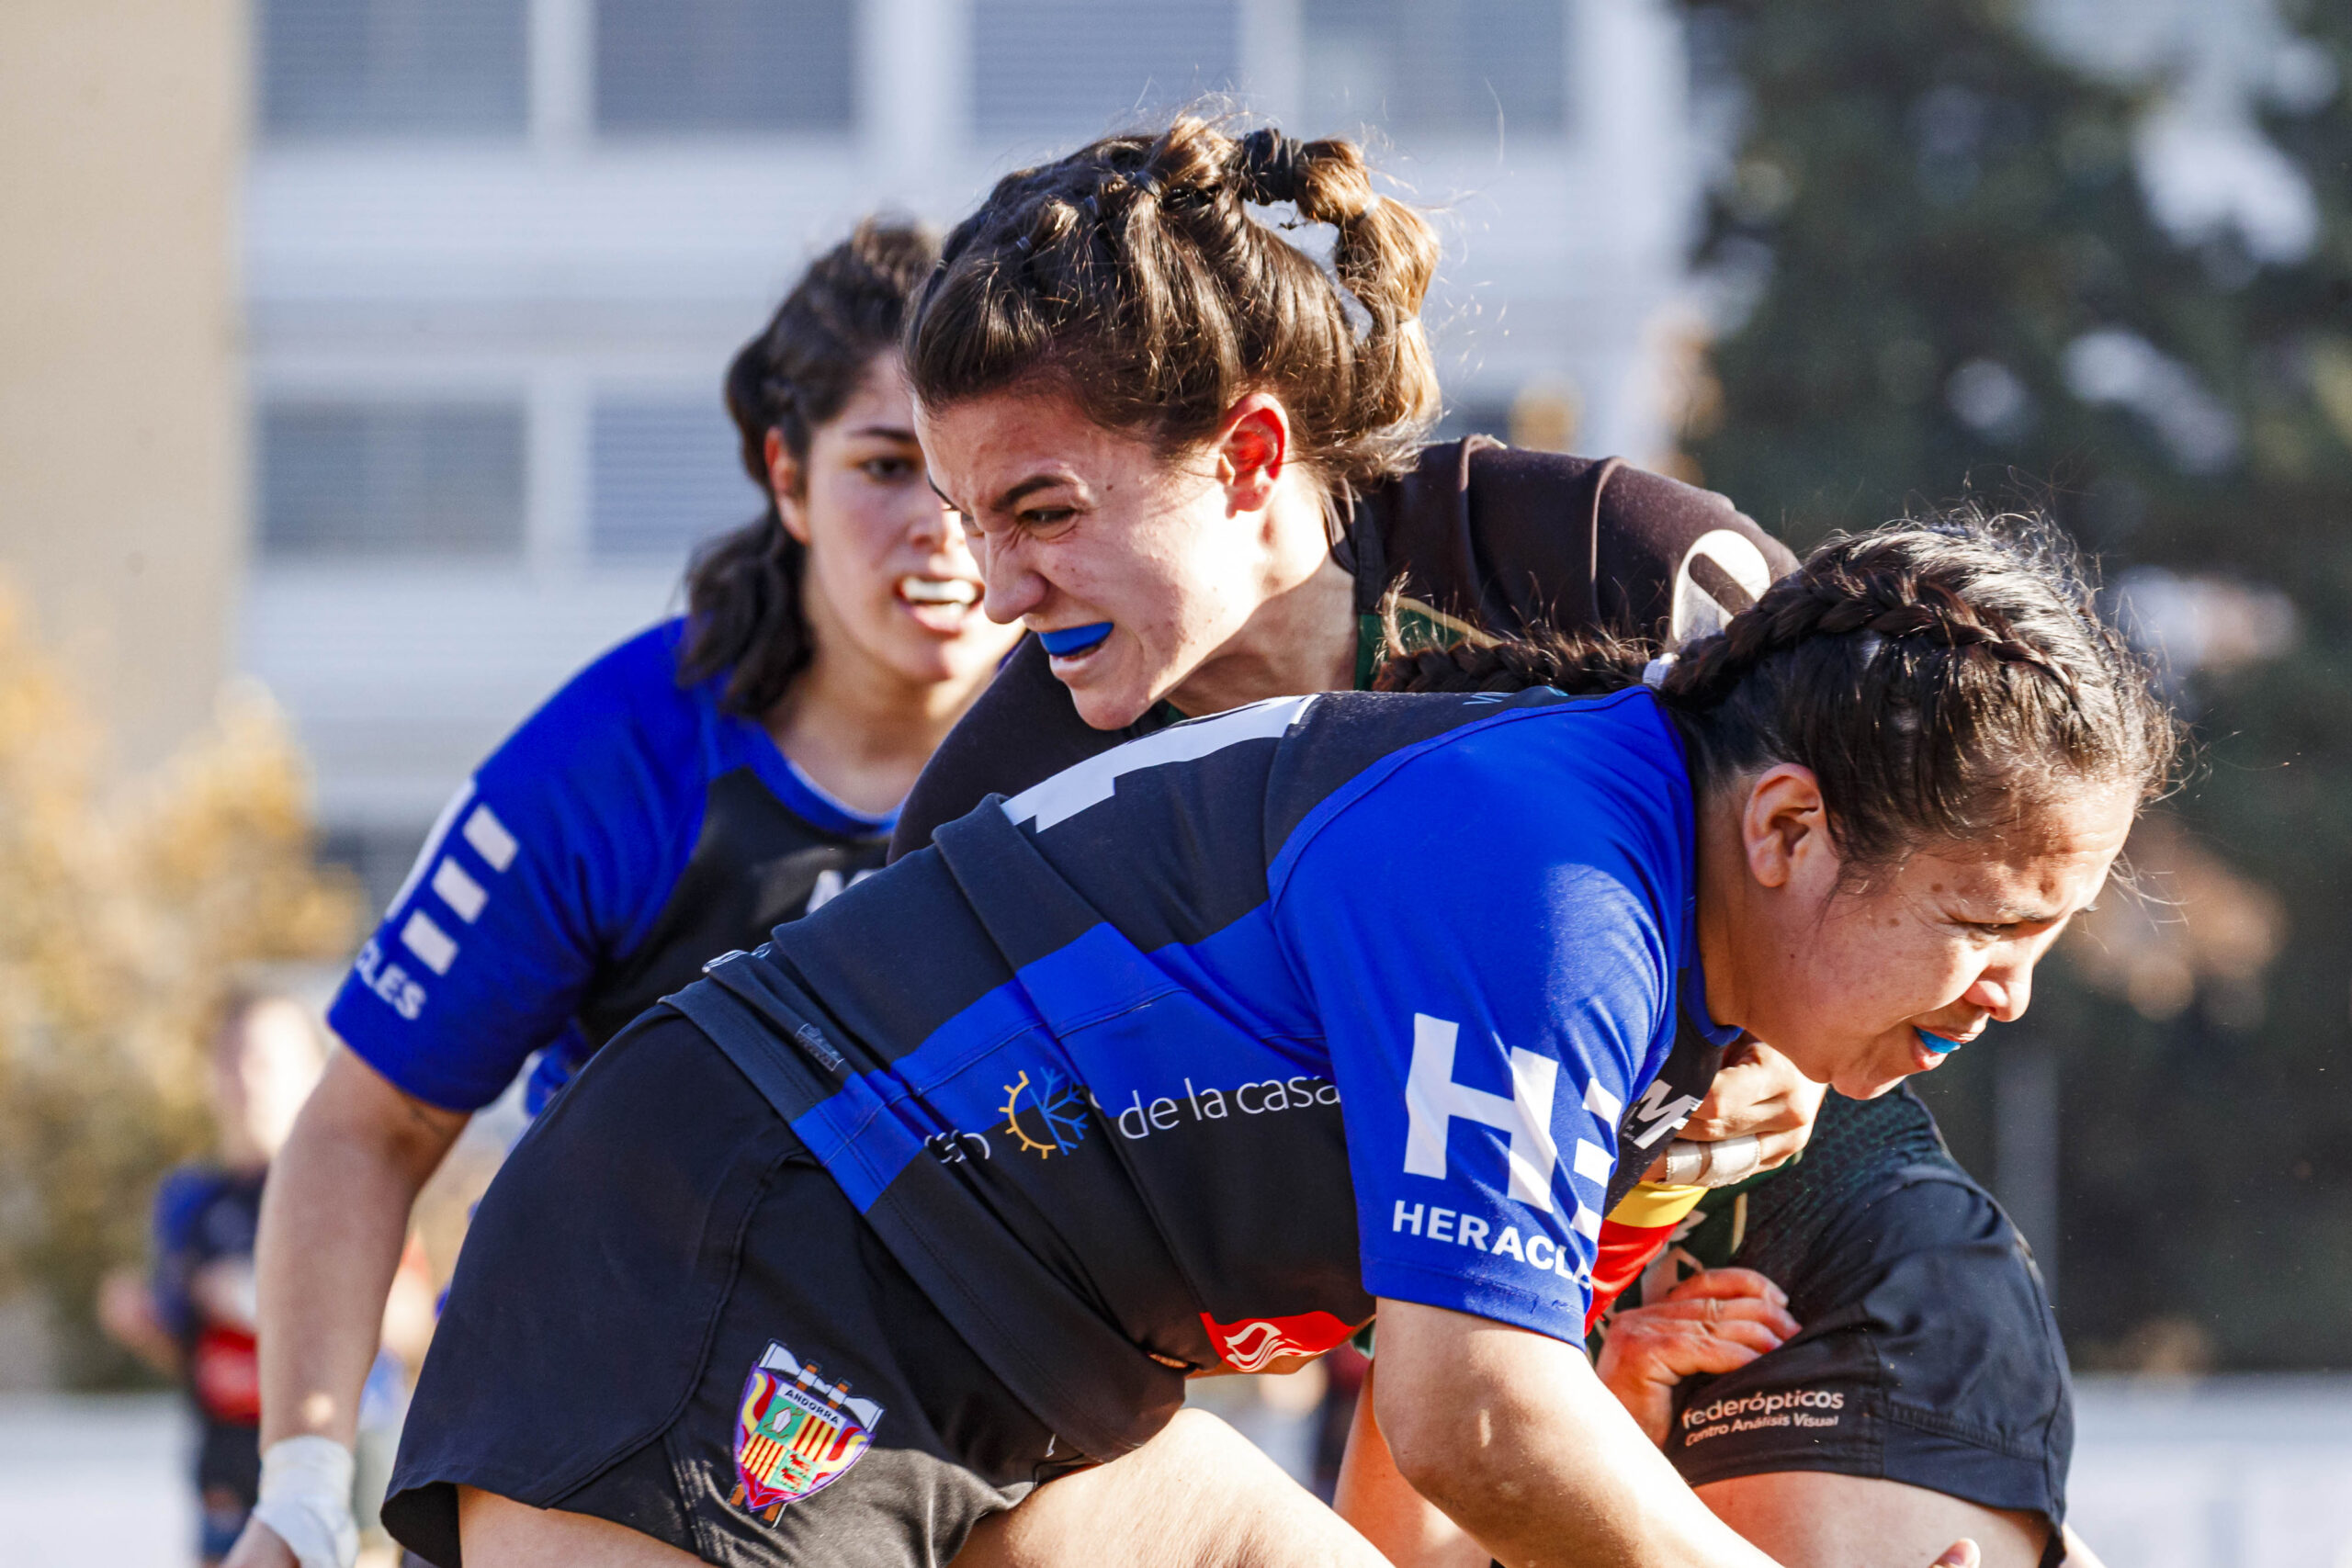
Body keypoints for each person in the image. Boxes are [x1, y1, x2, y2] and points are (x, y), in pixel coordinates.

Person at [377, 514, 2176, 1568]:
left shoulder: (1660, 953)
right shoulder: (1559, 880)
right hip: (725, 1258)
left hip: (1016, 1351)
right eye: (1986, 920)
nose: (2003, 994)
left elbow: (1446, 1419)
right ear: (1784, 827)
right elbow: (1477, 1411)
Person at [881, 117, 2086, 1564]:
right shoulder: (983, 820)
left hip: (1784, 1233)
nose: (998, 592)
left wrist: (1757, 1080)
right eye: (969, 523)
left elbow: (1908, 887)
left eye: (1043, 510)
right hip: (1431, 1293)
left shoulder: (1606, 555)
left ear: (1251, 452)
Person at [227, 222, 1024, 1568]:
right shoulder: (615, 757)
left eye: (976, 473)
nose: (942, 529)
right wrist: (304, 1492)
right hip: (617, 1426)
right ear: (787, 472)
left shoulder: (1119, 735)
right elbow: (366, 1126)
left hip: (980, 1429)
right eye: (888, 467)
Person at [1333, 624, 2099, 1568]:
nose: (2012, 996)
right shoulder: (1523, 912)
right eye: (1989, 922)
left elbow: (1459, 1442)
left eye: (2039, 928)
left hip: (1832, 1243)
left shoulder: (1581, 882)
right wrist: (1593, 1419)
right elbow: (1431, 1484)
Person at [103, 993, 429, 1566]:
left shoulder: (356, 1186)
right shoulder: (189, 1200)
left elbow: (414, 1321)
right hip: (230, 1459)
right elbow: (188, 1346)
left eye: (266, 1060)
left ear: (314, 1072)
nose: (246, 1079)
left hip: (344, 1457)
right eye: (230, 1058)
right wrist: (143, 1318)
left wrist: (264, 1299)